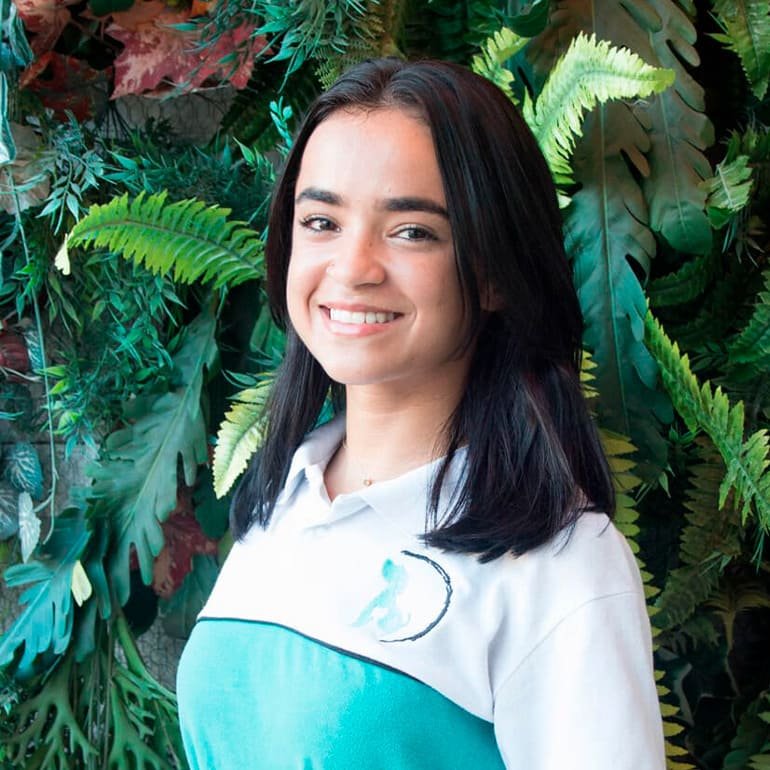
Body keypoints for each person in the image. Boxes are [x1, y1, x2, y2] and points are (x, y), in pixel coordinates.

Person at [176, 57, 666, 769]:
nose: (352, 268)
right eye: (321, 222)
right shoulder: (282, 498)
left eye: (411, 231)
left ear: (495, 271)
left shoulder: (560, 566)